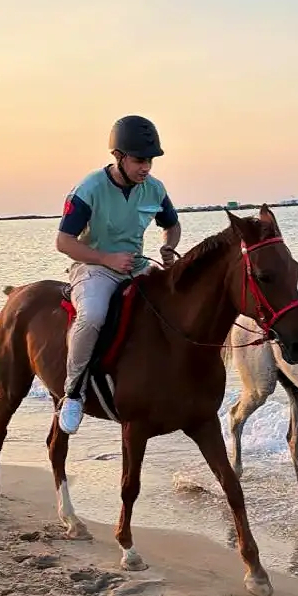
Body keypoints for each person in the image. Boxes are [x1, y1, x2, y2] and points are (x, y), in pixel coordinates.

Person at [55, 115, 182, 434]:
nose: (146, 168)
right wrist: (106, 258)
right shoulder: (89, 188)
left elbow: (172, 225)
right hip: (94, 267)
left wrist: (169, 247)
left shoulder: (154, 189)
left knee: (178, 309)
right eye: (140, 160)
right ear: (118, 156)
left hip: (137, 268)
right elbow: (64, 242)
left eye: (150, 160)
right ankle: (72, 393)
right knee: (94, 315)